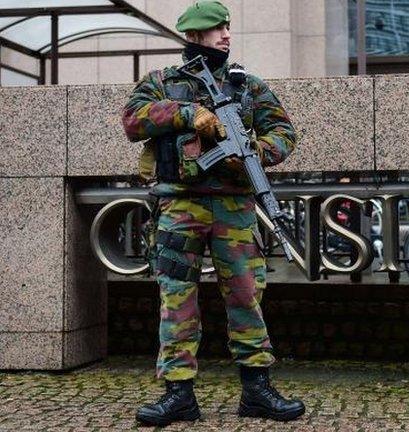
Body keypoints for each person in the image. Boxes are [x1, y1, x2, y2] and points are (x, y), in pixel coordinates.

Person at [121, 0, 304, 426]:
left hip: (234, 207)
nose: (225, 35)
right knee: (176, 299)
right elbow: (132, 120)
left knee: (245, 296)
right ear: (193, 35)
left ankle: (257, 390)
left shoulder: (247, 86)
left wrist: (255, 152)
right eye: (216, 28)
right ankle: (178, 393)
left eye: (226, 27)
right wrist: (188, 114)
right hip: (179, 205)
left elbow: (284, 133)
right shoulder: (161, 82)